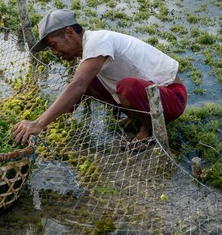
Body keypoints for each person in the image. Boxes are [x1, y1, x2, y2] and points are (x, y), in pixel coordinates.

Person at [11, 9, 187, 151]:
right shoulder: (88, 52)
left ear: (69, 32)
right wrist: (52, 123)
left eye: (53, 45)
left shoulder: (98, 41)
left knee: (126, 87)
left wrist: (38, 124)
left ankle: (149, 130)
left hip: (172, 96)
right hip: (153, 95)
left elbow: (77, 85)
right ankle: (139, 117)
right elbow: (79, 90)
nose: (54, 53)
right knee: (91, 82)